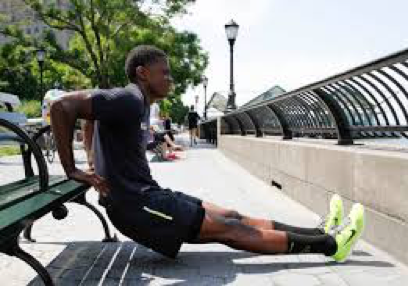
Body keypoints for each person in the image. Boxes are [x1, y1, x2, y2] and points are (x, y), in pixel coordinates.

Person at [50, 45, 365, 262]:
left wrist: (93, 162)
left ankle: (318, 231)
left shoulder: (136, 102)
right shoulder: (130, 98)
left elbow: (89, 117)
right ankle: (331, 245)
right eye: (165, 73)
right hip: (138, 206)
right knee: (232, 230)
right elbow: (62, 106)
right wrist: (73, 170)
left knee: (230, 215)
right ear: (143, 73)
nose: (170, 79)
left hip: (148, 198)